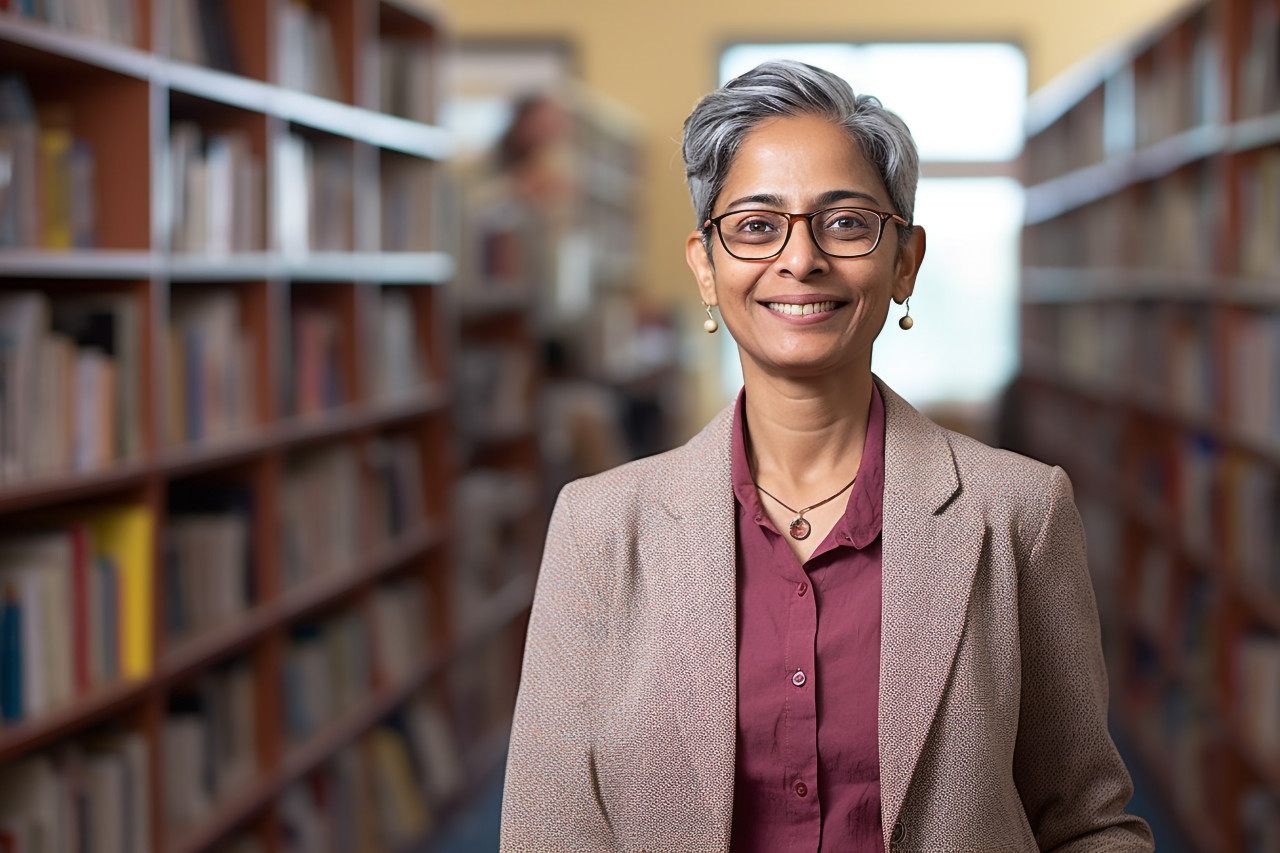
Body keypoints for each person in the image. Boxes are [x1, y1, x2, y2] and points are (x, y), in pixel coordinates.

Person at [500, 60, 1155, 853]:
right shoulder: (598, 529)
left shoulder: (1019, 511)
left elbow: (1085, 821)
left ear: (904, 261)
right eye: (756, 224)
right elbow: (549, 829)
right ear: (706, 266)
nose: (800, 258)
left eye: (844, 223)